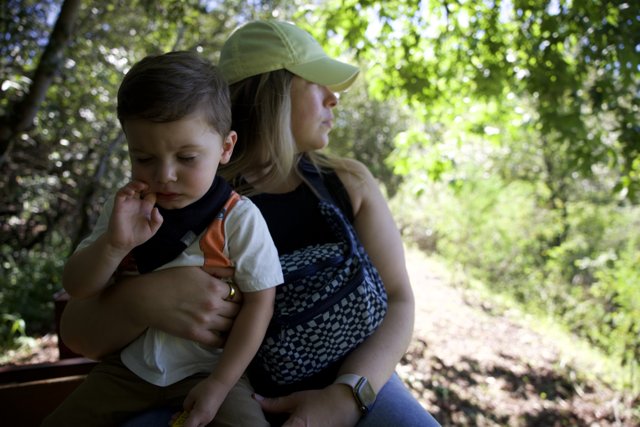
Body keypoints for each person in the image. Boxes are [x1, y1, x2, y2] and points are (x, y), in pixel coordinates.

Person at [60, 21, 441, 427]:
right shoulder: (186, 194)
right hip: (202, 384)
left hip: (355, 381)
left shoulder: (348, 184)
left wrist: (348, 394)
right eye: (317, 82)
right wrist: (142, 300)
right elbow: (78, 330)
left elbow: (400, 299)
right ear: (274, 94)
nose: (334, 98)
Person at [43, 51, 283, 427]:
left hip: (209, 370)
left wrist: (221, 384)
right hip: (127, 369)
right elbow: (77, 285)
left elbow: (260, 304)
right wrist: (113, 246)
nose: (165, 175)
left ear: (225, 148)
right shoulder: (125, 207)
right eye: (143, 158)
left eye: (187, 158)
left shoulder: (239, 219)